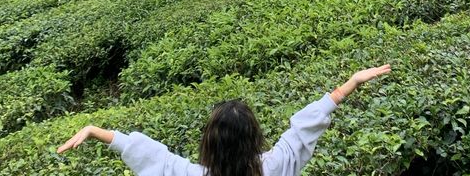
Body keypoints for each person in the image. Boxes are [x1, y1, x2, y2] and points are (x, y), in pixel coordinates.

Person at [57, 64, 391, 176]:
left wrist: (93, 130)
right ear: (254, 137)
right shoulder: (275, 167)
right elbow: (303, 127)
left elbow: (152, 157)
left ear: (209, 142)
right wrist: (350, 83)